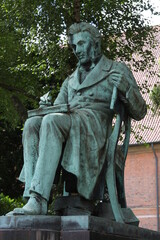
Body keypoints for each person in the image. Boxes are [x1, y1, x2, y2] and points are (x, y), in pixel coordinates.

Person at [7, 22, 147, 215]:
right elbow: (57, 109)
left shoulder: (116, 70)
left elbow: (141, 112)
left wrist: (127, 89)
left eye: (80, 44)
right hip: (70, 124)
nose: (76, 50)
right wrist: (46, 107)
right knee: (32, 124)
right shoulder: (70, 80)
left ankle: (39, 199)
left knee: (51, 121)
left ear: (95, 43)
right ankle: (34, 196)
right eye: (73, 46)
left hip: (93, 130)